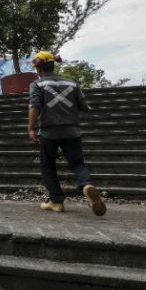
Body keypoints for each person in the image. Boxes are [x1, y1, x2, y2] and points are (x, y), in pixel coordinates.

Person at [27, 51, 106, 216]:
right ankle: (86, 185)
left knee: (48, 166)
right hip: (72, 130)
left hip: (49, 132)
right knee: (78, 163)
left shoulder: (37, 84)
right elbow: (85, 107)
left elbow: (35, 106)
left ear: (38, 68)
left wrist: (31, 128)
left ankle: (56, 202)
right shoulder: (72, 83)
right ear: (53, 65)